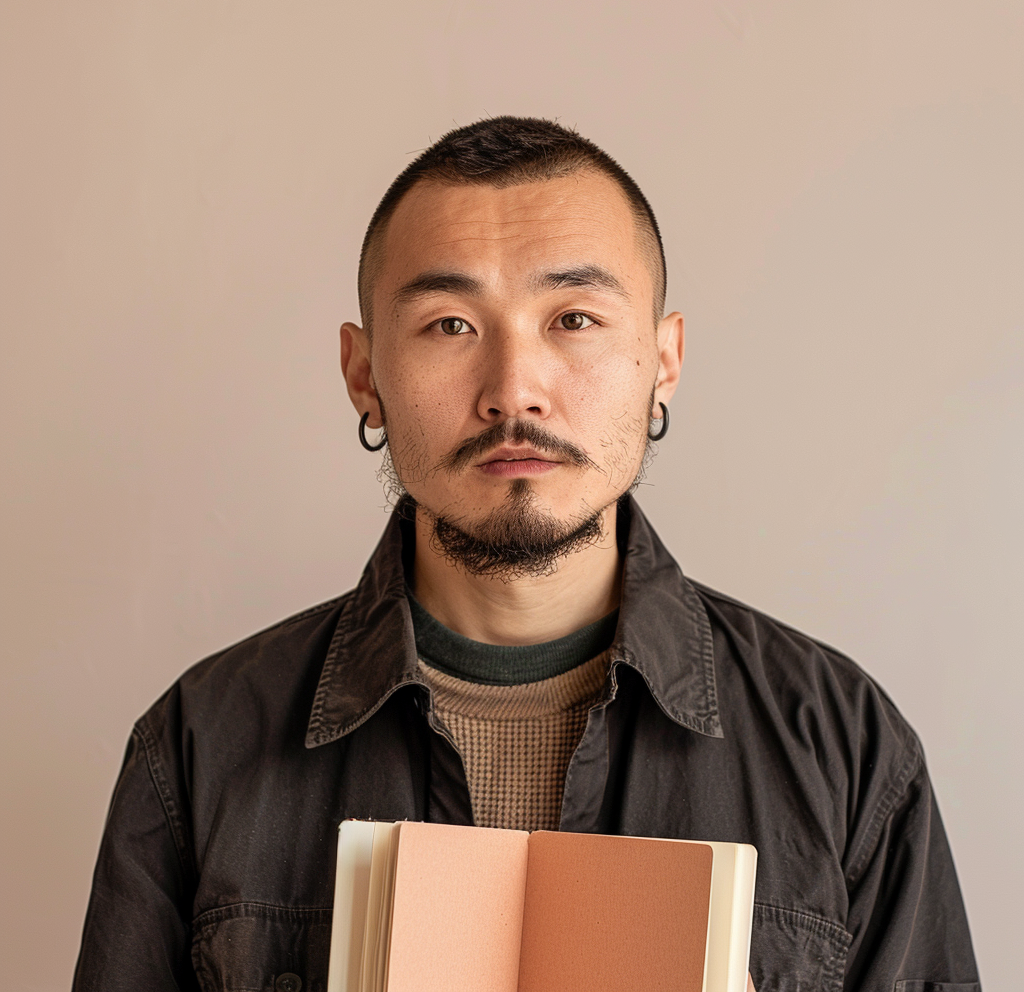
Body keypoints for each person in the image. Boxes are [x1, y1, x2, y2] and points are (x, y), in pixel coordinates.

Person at [73, 117, 980, 992]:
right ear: (364, 374)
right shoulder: (198, 745)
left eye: (575, 319)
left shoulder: (842, 747)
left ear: (663, 359)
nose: (514, 391)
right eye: (450, 325)